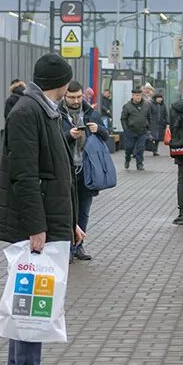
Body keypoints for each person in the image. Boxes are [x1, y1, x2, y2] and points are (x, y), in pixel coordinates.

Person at [0, 53, 82, 365]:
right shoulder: (29, 113)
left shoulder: (43, 110)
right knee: (33, 299)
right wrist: (37, 228)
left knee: (29, 298)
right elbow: (25, 177)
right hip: (36, 225)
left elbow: (54, 173)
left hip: (48, 219)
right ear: (60, 82)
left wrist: (71, 221)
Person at [60, 81, 107, 263]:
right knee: (67, 209)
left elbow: (105, 134)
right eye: (72, 97)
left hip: (87, 168)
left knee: (84, 209)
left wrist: (98, 129)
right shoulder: (58, 114)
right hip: (66, 169)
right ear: (65, 96)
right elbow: (53, 140)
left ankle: (78, 246)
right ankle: (68, 247)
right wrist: (69, 135)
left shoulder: (90, 113)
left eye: (79, 97)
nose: (76, 100)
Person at [168, 84, 183, 225]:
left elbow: (172, 126)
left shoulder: (174, 107)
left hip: (179, 148)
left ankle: (181, 214)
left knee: (181, 181)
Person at [121, 88, 152, 170]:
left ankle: (139, 163)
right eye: (136, 95)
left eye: (139, 95)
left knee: (140, 148)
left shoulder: (146, 105)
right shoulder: (127, 106)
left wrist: (149, 128)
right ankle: (127, 159)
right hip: (131, 131)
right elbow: (123, 118)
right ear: (133, 96)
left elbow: (149, 117)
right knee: (129, 147)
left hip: (142, 131)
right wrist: (126, 129)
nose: (138, 97)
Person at [148, 92, 168, 156]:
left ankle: (155, 150)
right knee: (154, 137)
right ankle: (154, 150)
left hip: (160, 124)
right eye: (158, 98)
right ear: (155, 98)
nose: (160, 99)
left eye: (161, 98)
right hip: (153, 123)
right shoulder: (151, 105)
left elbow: (166, 114)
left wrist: (167, 122)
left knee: (158, 137)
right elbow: (149, 114)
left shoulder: (163, 105)